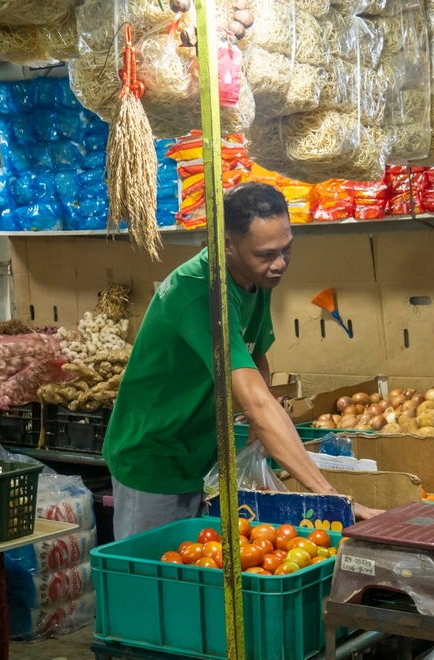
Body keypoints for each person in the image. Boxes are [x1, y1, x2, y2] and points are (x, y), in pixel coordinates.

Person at [104, 182, 380, 542]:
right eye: (266, 254)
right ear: (227, 245)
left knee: (203, 571)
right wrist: (328, 496)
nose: (279, 264)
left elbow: (255, 356)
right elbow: (255, 399)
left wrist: (257, 424)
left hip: (201, 451)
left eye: (287, 249)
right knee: (158, 579)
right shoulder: (201, 294)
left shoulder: (254, 279)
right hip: (153, 456)